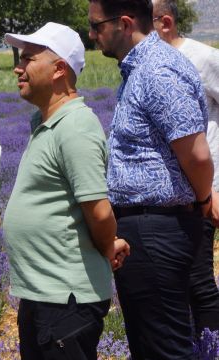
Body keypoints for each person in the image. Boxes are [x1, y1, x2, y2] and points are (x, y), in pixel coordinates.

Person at [88, 0, 215, 357]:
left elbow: (198, 155)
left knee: (165, 348)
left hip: (157, 229)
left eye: (97, 26)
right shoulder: (139, 69)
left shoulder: (157, 69)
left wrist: (204, 200)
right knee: (149, 345)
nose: (92, 34)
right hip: (144, 227)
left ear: (125, 23)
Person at [2, 22, 130, 359]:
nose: (18, 67)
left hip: (66, 300)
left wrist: (107, 245)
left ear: (59, 69)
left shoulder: (76, 126)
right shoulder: (45, 123)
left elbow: (99, 210)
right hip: (43, 295)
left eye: (28, 58)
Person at [152, 0, 219, 336]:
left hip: (204, 190)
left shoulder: (203, 58)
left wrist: (218, 185)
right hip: (166, 194)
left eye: (138, 21)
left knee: (198, 281)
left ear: (165, 23)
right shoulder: (143, 63)